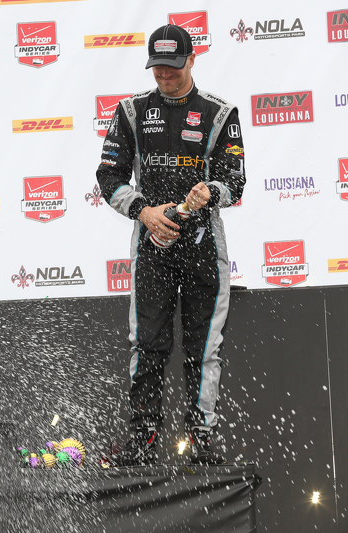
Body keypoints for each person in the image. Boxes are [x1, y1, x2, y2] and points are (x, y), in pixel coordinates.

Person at [96, 25, 246, 466]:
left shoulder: (221, 112)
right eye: (158, 67)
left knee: (204, 348)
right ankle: (142, 439)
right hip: (152, 245)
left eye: (173, 67)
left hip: (203, 247)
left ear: (192, 59)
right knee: (147, 343)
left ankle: (201, 439)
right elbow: (108, 177)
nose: (165, 75)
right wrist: (144, 212)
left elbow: (234, 181)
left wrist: (209, 193)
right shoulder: (131, 111)